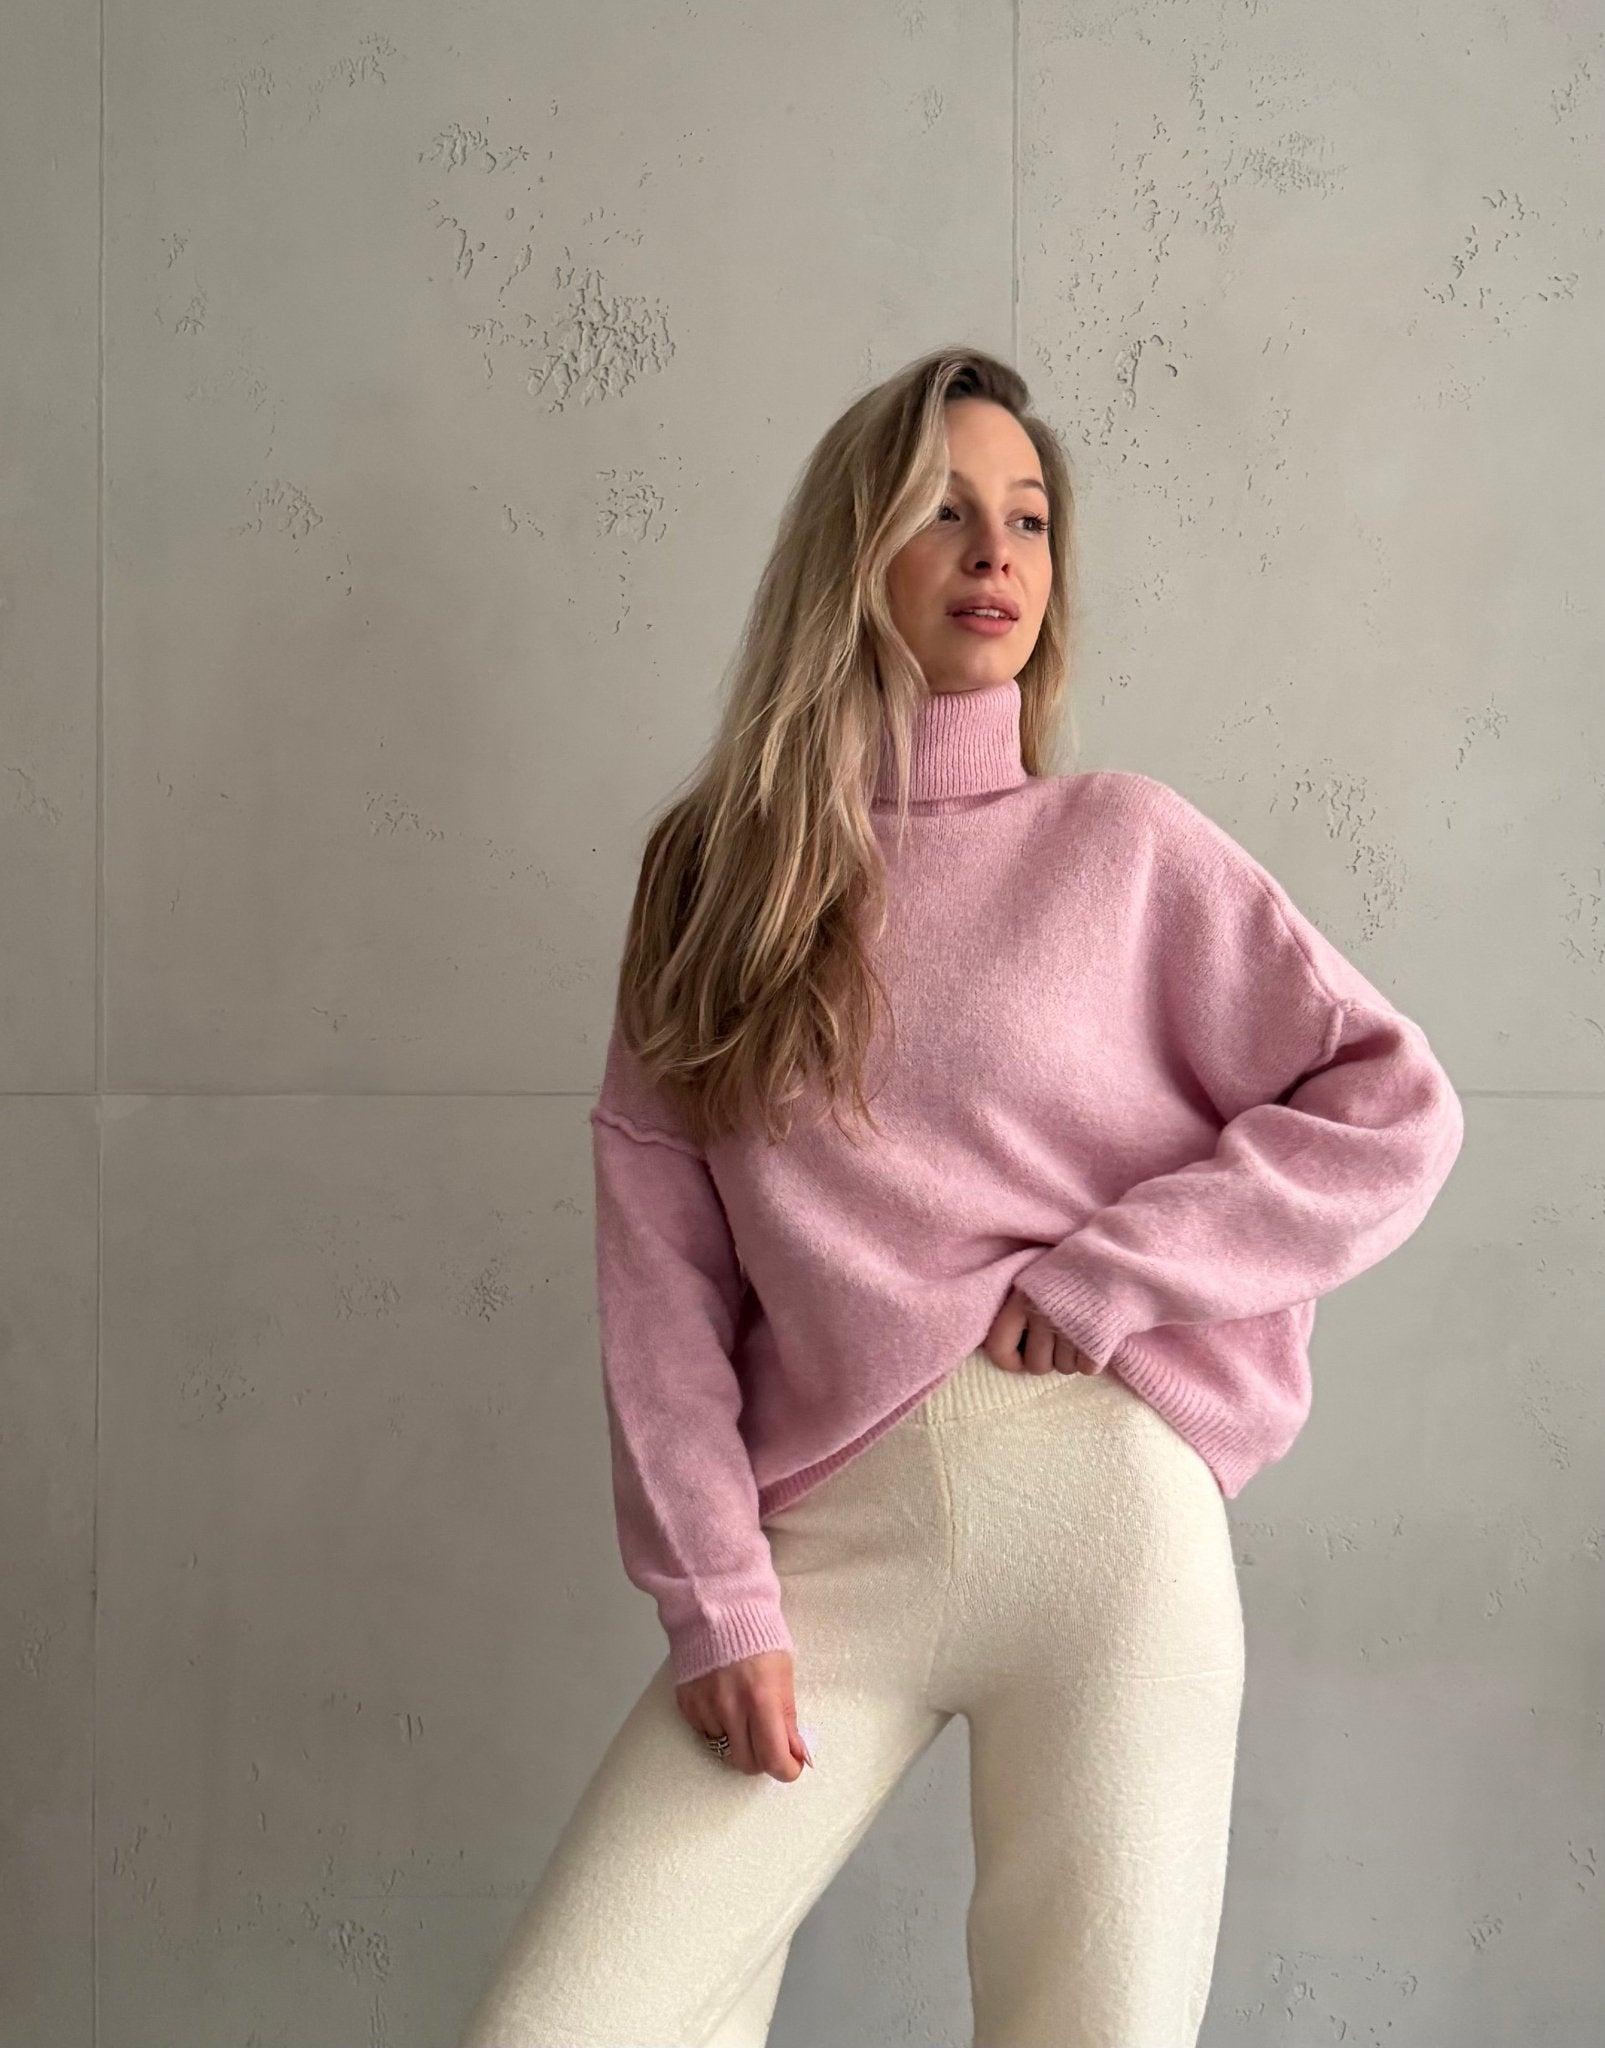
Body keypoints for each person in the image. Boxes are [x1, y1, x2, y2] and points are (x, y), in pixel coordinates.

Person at [456, 347, 1465, 2047]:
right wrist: (715, 1595)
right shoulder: (711, 881)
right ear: (852, 552)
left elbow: (1393, 1105)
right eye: (943, 510)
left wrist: (1112, 1272)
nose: (996, 551)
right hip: (826, 1549)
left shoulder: (1122, 845)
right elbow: (662, 1285)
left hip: (1106, 1528)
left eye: (1029, 517)